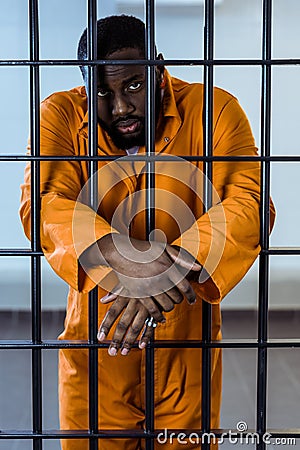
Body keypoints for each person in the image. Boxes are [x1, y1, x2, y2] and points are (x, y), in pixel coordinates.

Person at [20, 14, 275, 450]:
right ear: (84, 85)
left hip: (186, 350)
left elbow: (249, 203)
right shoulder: (60, 115)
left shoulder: (215, 110)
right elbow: (44, 204)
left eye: (133, 85)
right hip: (99, 343)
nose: (120, 107)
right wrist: (124, 257)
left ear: (158, 67)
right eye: (103, 91)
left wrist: (172, 265)